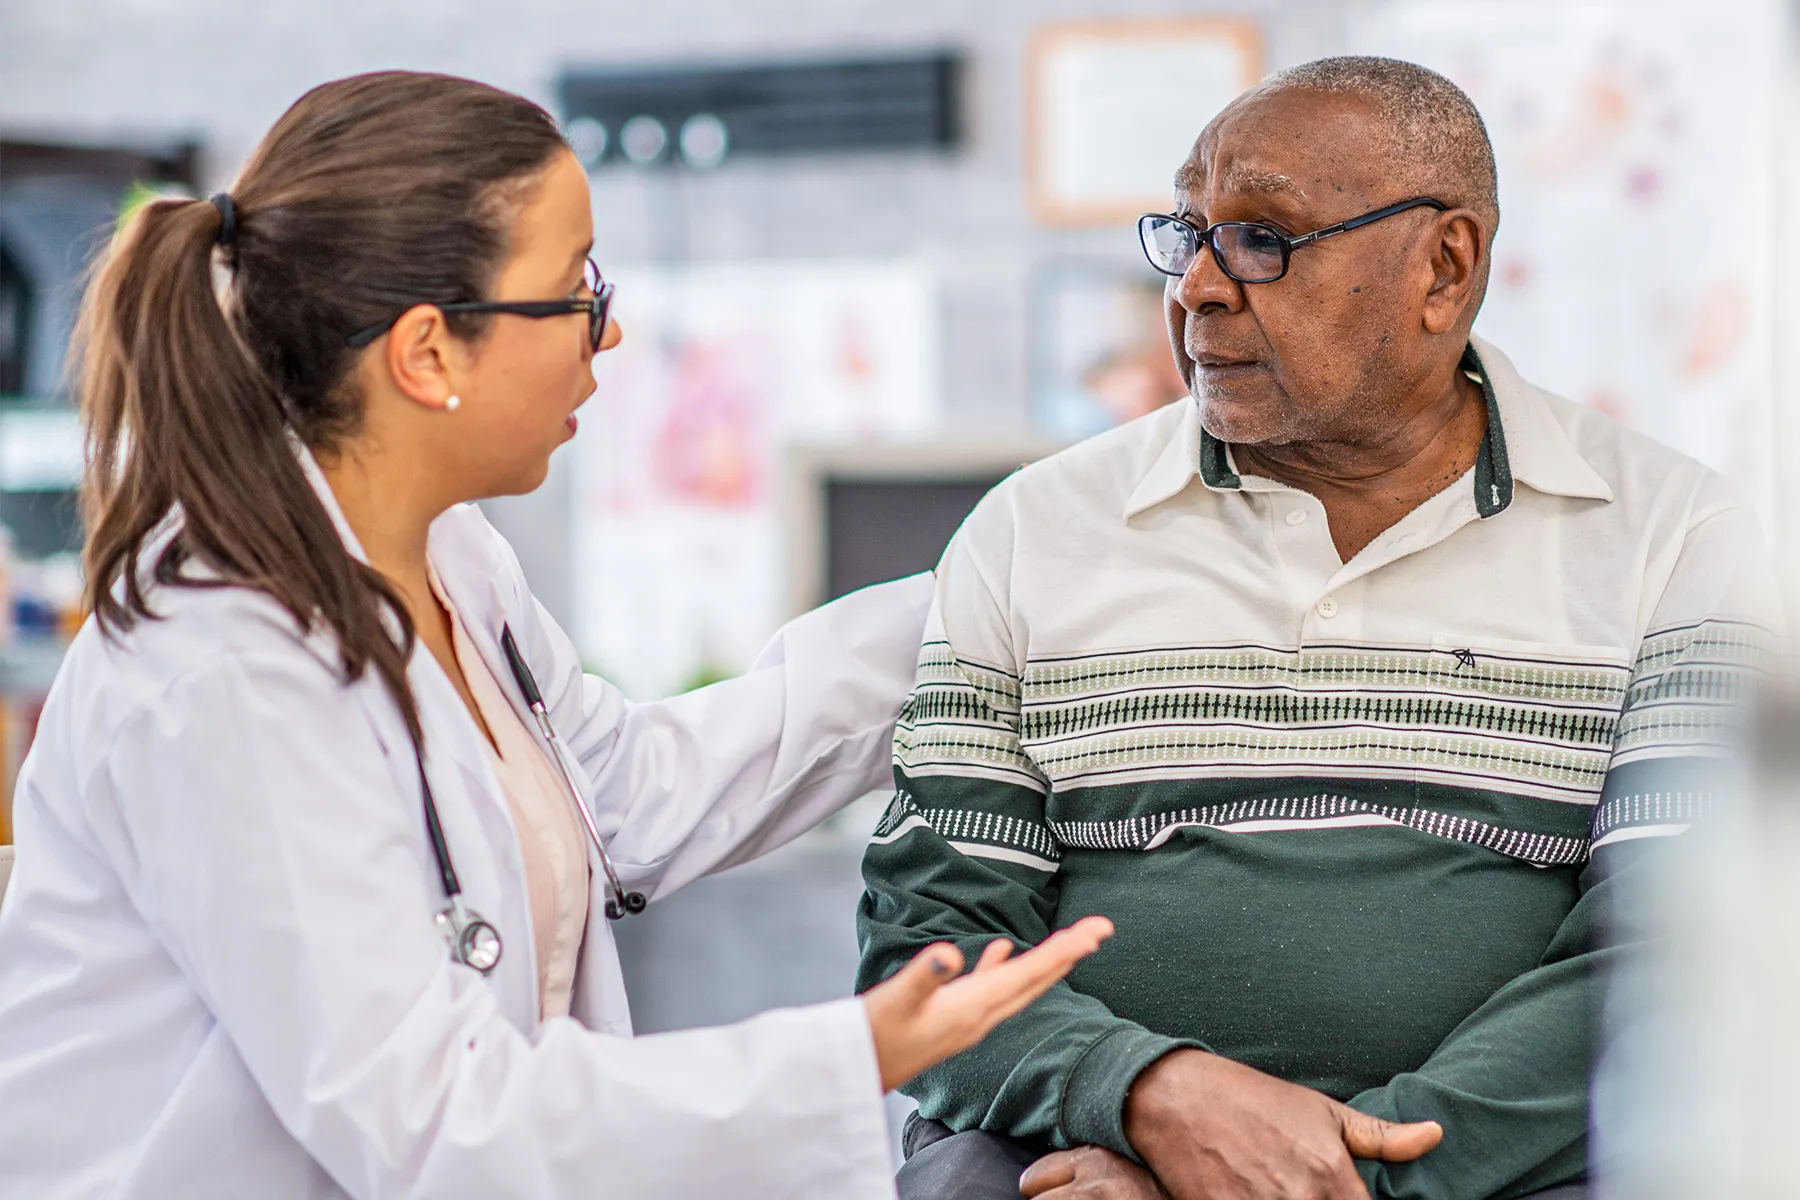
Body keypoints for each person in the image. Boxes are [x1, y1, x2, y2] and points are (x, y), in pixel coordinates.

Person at [0, 71, 1114, 1200]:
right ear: (428, 351)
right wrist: (855, 1053)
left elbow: (622, 796)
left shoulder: (451, 558)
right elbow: (436, 1120)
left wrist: (987, 602)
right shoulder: (223, 672)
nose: (610, 327)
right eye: (575, 288)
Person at [856, 56, 1778, 1200]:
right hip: (1078, 1154)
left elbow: (1673, 951)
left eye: (1260, 239)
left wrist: (1318, 1179)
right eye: (1187, 231)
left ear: (1444, 267)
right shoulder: (1034, 528)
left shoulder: (1674, 536)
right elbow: (931, 951)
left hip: (1504, 1171)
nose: (1196, 286)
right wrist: (1152, 1097)